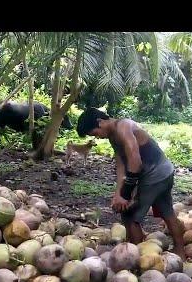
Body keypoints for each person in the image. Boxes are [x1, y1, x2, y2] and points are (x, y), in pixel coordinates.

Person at [76, 108, 186, 259]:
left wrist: (126, 195)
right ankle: (180, 252)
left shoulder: (123, 126)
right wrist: (118, 194)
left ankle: (134, 257)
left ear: (100, 122)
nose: (98, 138)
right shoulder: (113, 136)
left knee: (129, 213)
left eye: (95, 134)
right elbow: (121, 165)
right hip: (163, 171)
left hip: (155, 173)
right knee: (167, 212)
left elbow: (135, 163)